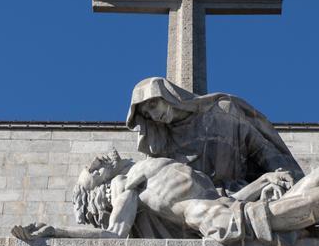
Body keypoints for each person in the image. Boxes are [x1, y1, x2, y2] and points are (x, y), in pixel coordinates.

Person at [12, 150, 319, 246]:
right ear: (95, 186)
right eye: (93, 166)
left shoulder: (151, 167)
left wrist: (262, 181)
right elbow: (114, 234)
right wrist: (56, 232)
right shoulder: (126, 187)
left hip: (240, 208)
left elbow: (219, 195)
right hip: (233, 227)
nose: (99, 158)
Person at [126, 77, 303, 194]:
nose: (154, 116)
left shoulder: (222, 111)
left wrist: (288, 178)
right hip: (194, 204)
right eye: (148, 115)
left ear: (166, 95)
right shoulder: (162, 143)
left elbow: (262, 149)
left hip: (240, 193)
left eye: (153, 104)